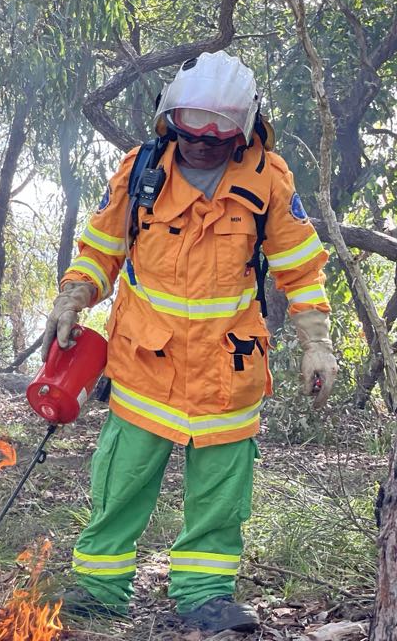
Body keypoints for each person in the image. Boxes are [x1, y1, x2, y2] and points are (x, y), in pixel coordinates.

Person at [42, 52, 338, 632]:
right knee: (119, 484)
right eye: (191, 126)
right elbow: (102, 249)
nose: (202, 141)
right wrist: (72, 297)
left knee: (219, 498)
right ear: (169, 119)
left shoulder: (269, 181)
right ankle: (99, 591)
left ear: (245, 128)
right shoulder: (141, 171)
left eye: (219, 131)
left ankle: (205, 595)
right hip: (143, 364)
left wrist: (317, 342)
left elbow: (301, 269)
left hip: (228, 370)